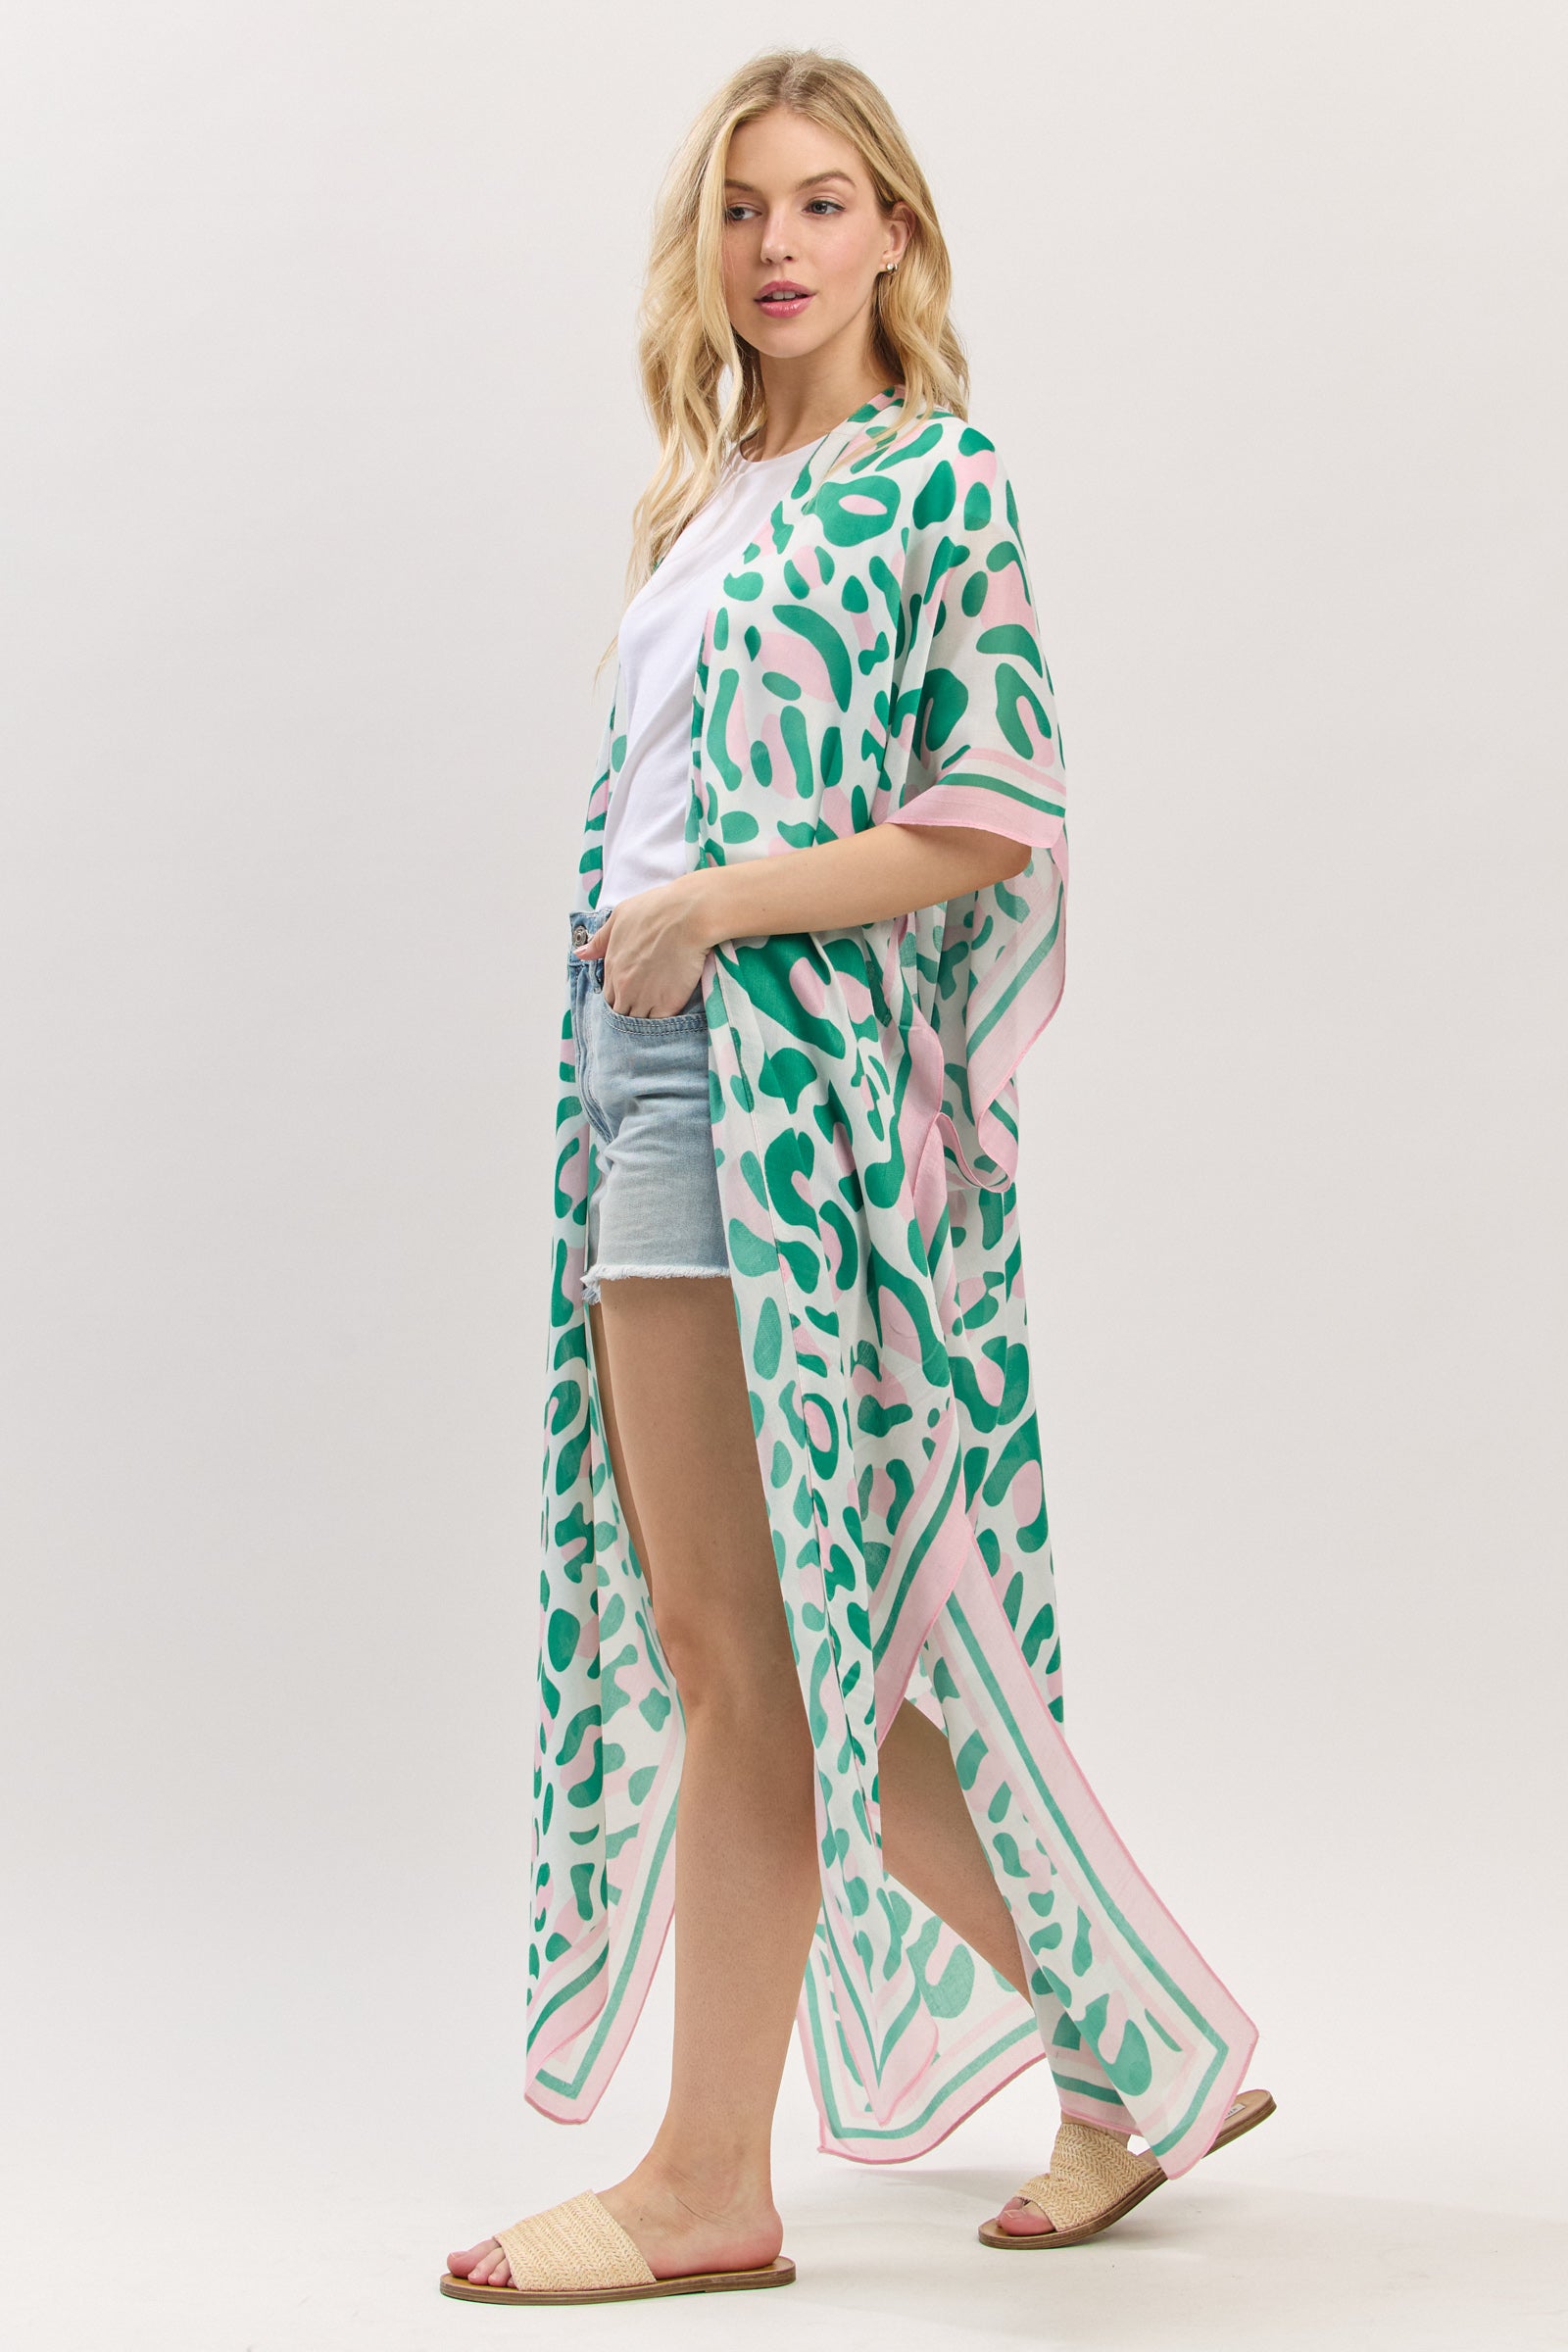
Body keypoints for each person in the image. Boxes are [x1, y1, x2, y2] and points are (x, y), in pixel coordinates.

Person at [442, 46, 1273, 2309]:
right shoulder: (705, 495)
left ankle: (704, 2183)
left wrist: (717, 909)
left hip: (779, 1107)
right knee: (748, 1638)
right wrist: (647, 955)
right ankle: (1148, 2043)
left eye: (820, 202)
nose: (776, 245)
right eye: (740, 207)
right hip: (636, 1083)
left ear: (895, 231)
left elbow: (990, 820)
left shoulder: (934, 481)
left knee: (758, 1652)